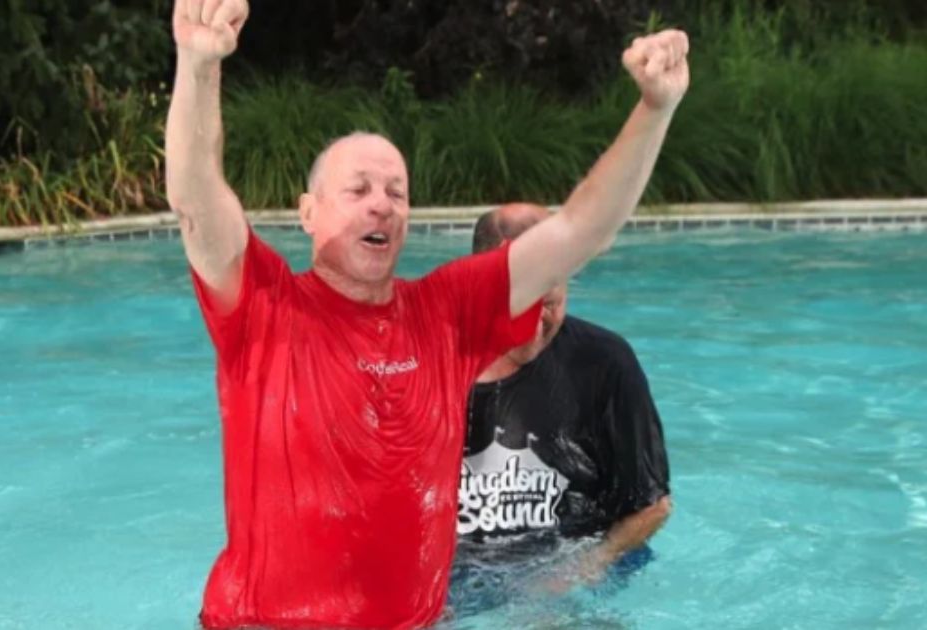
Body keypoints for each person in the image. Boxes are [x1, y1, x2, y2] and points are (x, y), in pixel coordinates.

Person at [164, 0, 691, 627]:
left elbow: (581, 230)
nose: (381, 205)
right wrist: (198, 67)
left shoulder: (448, 313)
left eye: (396, 192)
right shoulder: (262, 306)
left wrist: (655, 110)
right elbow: (197, 199)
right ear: (307, 213)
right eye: (357, 190)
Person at [450, 204, 671, 614]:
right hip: (458, 577)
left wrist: (576, 572)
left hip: (569, 568)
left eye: (549, 303)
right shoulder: (425, 359)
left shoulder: (604, 363)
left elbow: (650, 506)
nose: (534, 324)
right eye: (520, 304)